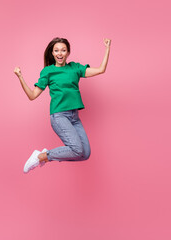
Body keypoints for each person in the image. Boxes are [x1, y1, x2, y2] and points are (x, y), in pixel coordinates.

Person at [14, 37, 111, 173]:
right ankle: (40, 156)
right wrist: (20, 77)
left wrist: (107, 49)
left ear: (68, 52)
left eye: (63, 50)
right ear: (52, 53)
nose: (60, 53)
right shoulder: (48, 71)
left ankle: (45, 157)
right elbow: (32, 96)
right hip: (59, 116)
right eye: (56, 50)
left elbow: (101, 70)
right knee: (77, 149)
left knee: (85, 153)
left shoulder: (75, 68)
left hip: (74, 117)